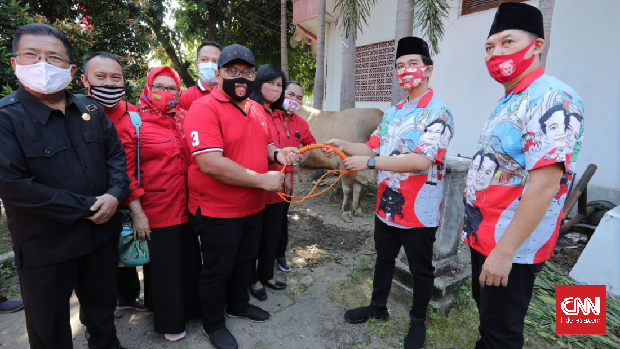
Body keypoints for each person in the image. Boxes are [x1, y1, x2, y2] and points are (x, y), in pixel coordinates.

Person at [461, 3, 584, 349]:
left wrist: (504, 252)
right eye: (489, 46)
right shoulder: (510, 99)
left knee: (502, 334)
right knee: (489, 320)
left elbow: (545, 185)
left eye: (507, 42)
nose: (495, 53)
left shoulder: (551, 98)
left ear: (536, 46)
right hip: (485, 235)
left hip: (510, 246)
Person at [0, 23, 130, 349]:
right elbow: (14, 185)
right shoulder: (6, 118)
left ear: (71, 70)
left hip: (99, 236)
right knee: (49, 324)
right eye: (32, 55)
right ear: (15, 63)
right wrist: (88, 207)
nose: (43, 64)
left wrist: (115, 194)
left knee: (102, 309)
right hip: (46, 245)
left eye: (54, 58)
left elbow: (115, 155)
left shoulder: (89, 108)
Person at [324, 37, 454, 349]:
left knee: (421, 270)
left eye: (412, 64)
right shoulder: (394, 111)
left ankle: (418, 322)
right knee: (383, 259)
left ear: (428, 69)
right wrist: (344, 146)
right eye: (399, 65)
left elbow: (422, 160)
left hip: (418, 210)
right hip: (387, 205)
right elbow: (370, 145)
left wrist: (369, 161)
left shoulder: (439, 112)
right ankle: (377, 307)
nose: (405, 70)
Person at [184, 44, 302, 349]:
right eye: (232, 71)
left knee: (244, 262)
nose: (240, 77)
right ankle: (214, 323)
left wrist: (279, 154)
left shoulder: (254, 109)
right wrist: (263, 179)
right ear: (220, 73)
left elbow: (264, 146)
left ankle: (238, 304)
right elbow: (209, 162)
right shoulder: (204, 108)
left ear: (254, 75)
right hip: (216, 210)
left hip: (252, 206)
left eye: (247, 72)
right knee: (217, 269)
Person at [116, 66, 202, 342]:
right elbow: (126, 172)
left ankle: (184, 309)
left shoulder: (185, 118)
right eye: (160, 87)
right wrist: (138, 213)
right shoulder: (133, 122)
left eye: (171, 88)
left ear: (179, 92)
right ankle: (170, 321)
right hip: (155, 208)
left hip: (187, 204)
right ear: (148, 87)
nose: (165, 93)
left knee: (188, 261)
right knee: (166, 267)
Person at [81, 51, 146, 312]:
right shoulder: (73, 111)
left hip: (128, 195)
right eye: (100, 77)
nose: (109, 84)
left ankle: (128, 297)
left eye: (115, 78)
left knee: (126, 247)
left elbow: (137, 160)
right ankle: (94, 320)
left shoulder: (134, 114)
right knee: (93, 267)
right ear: (85, 80)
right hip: (90, 202)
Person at [247, 64, 291, 301]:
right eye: (270, 83)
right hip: (257, 186)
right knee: (254, 237)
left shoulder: (279, 114)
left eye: (279, 85)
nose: (275, 89)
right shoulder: (250, 110)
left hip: (278, 187)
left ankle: (267, 275)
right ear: (258, 83)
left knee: (272, 234)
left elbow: (282, 148)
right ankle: (252, 279)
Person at [275, 80, 316, 272]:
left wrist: (299, 164)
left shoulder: (301, 123)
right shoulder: (269, 116)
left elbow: (310, 145)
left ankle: (279, 255)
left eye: (299, 97)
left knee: (282, 220)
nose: (294, 100)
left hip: (286, 185)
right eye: (290, 94)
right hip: (264, 181)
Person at [178, 41, 222, 110]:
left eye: (215, 61)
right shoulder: (184, 97)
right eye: (204, 60)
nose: (209, 65)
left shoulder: (230, 96)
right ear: (196, 66)